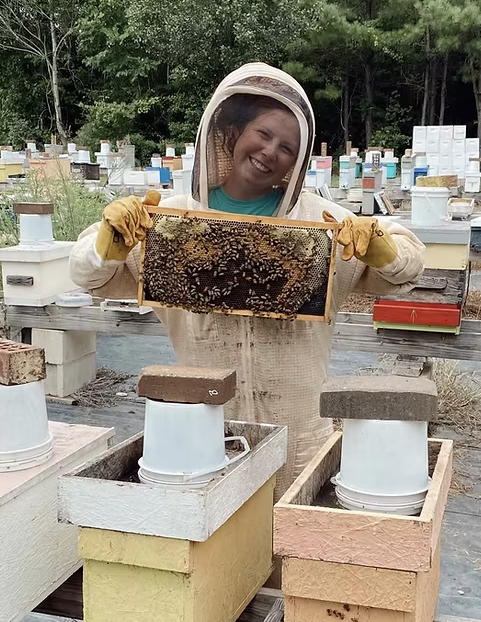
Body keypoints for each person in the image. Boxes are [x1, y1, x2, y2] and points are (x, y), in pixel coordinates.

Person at [70, 63, 426, 500]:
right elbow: (91, 276)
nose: (270, 151)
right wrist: (108, 241)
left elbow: (407, 270)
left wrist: (381, 246)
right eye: (263, 133)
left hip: (300, 439)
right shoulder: (169, 222)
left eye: (288, 147)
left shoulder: (324, 223)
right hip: (203, 435)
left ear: (297, 162)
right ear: (231, 131)